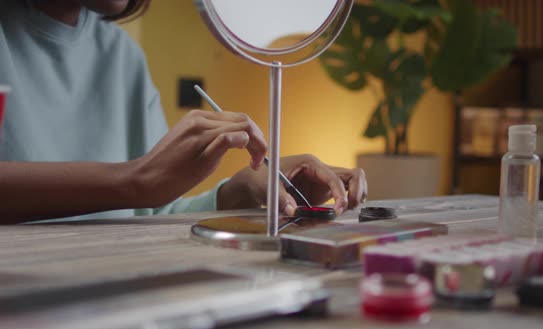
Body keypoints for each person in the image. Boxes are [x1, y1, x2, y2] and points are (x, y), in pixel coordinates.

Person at [0, 0, 368, 224]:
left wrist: (242, 191)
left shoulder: (121, 55)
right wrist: (134, 180)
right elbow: (138, 190)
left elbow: (150, 213)